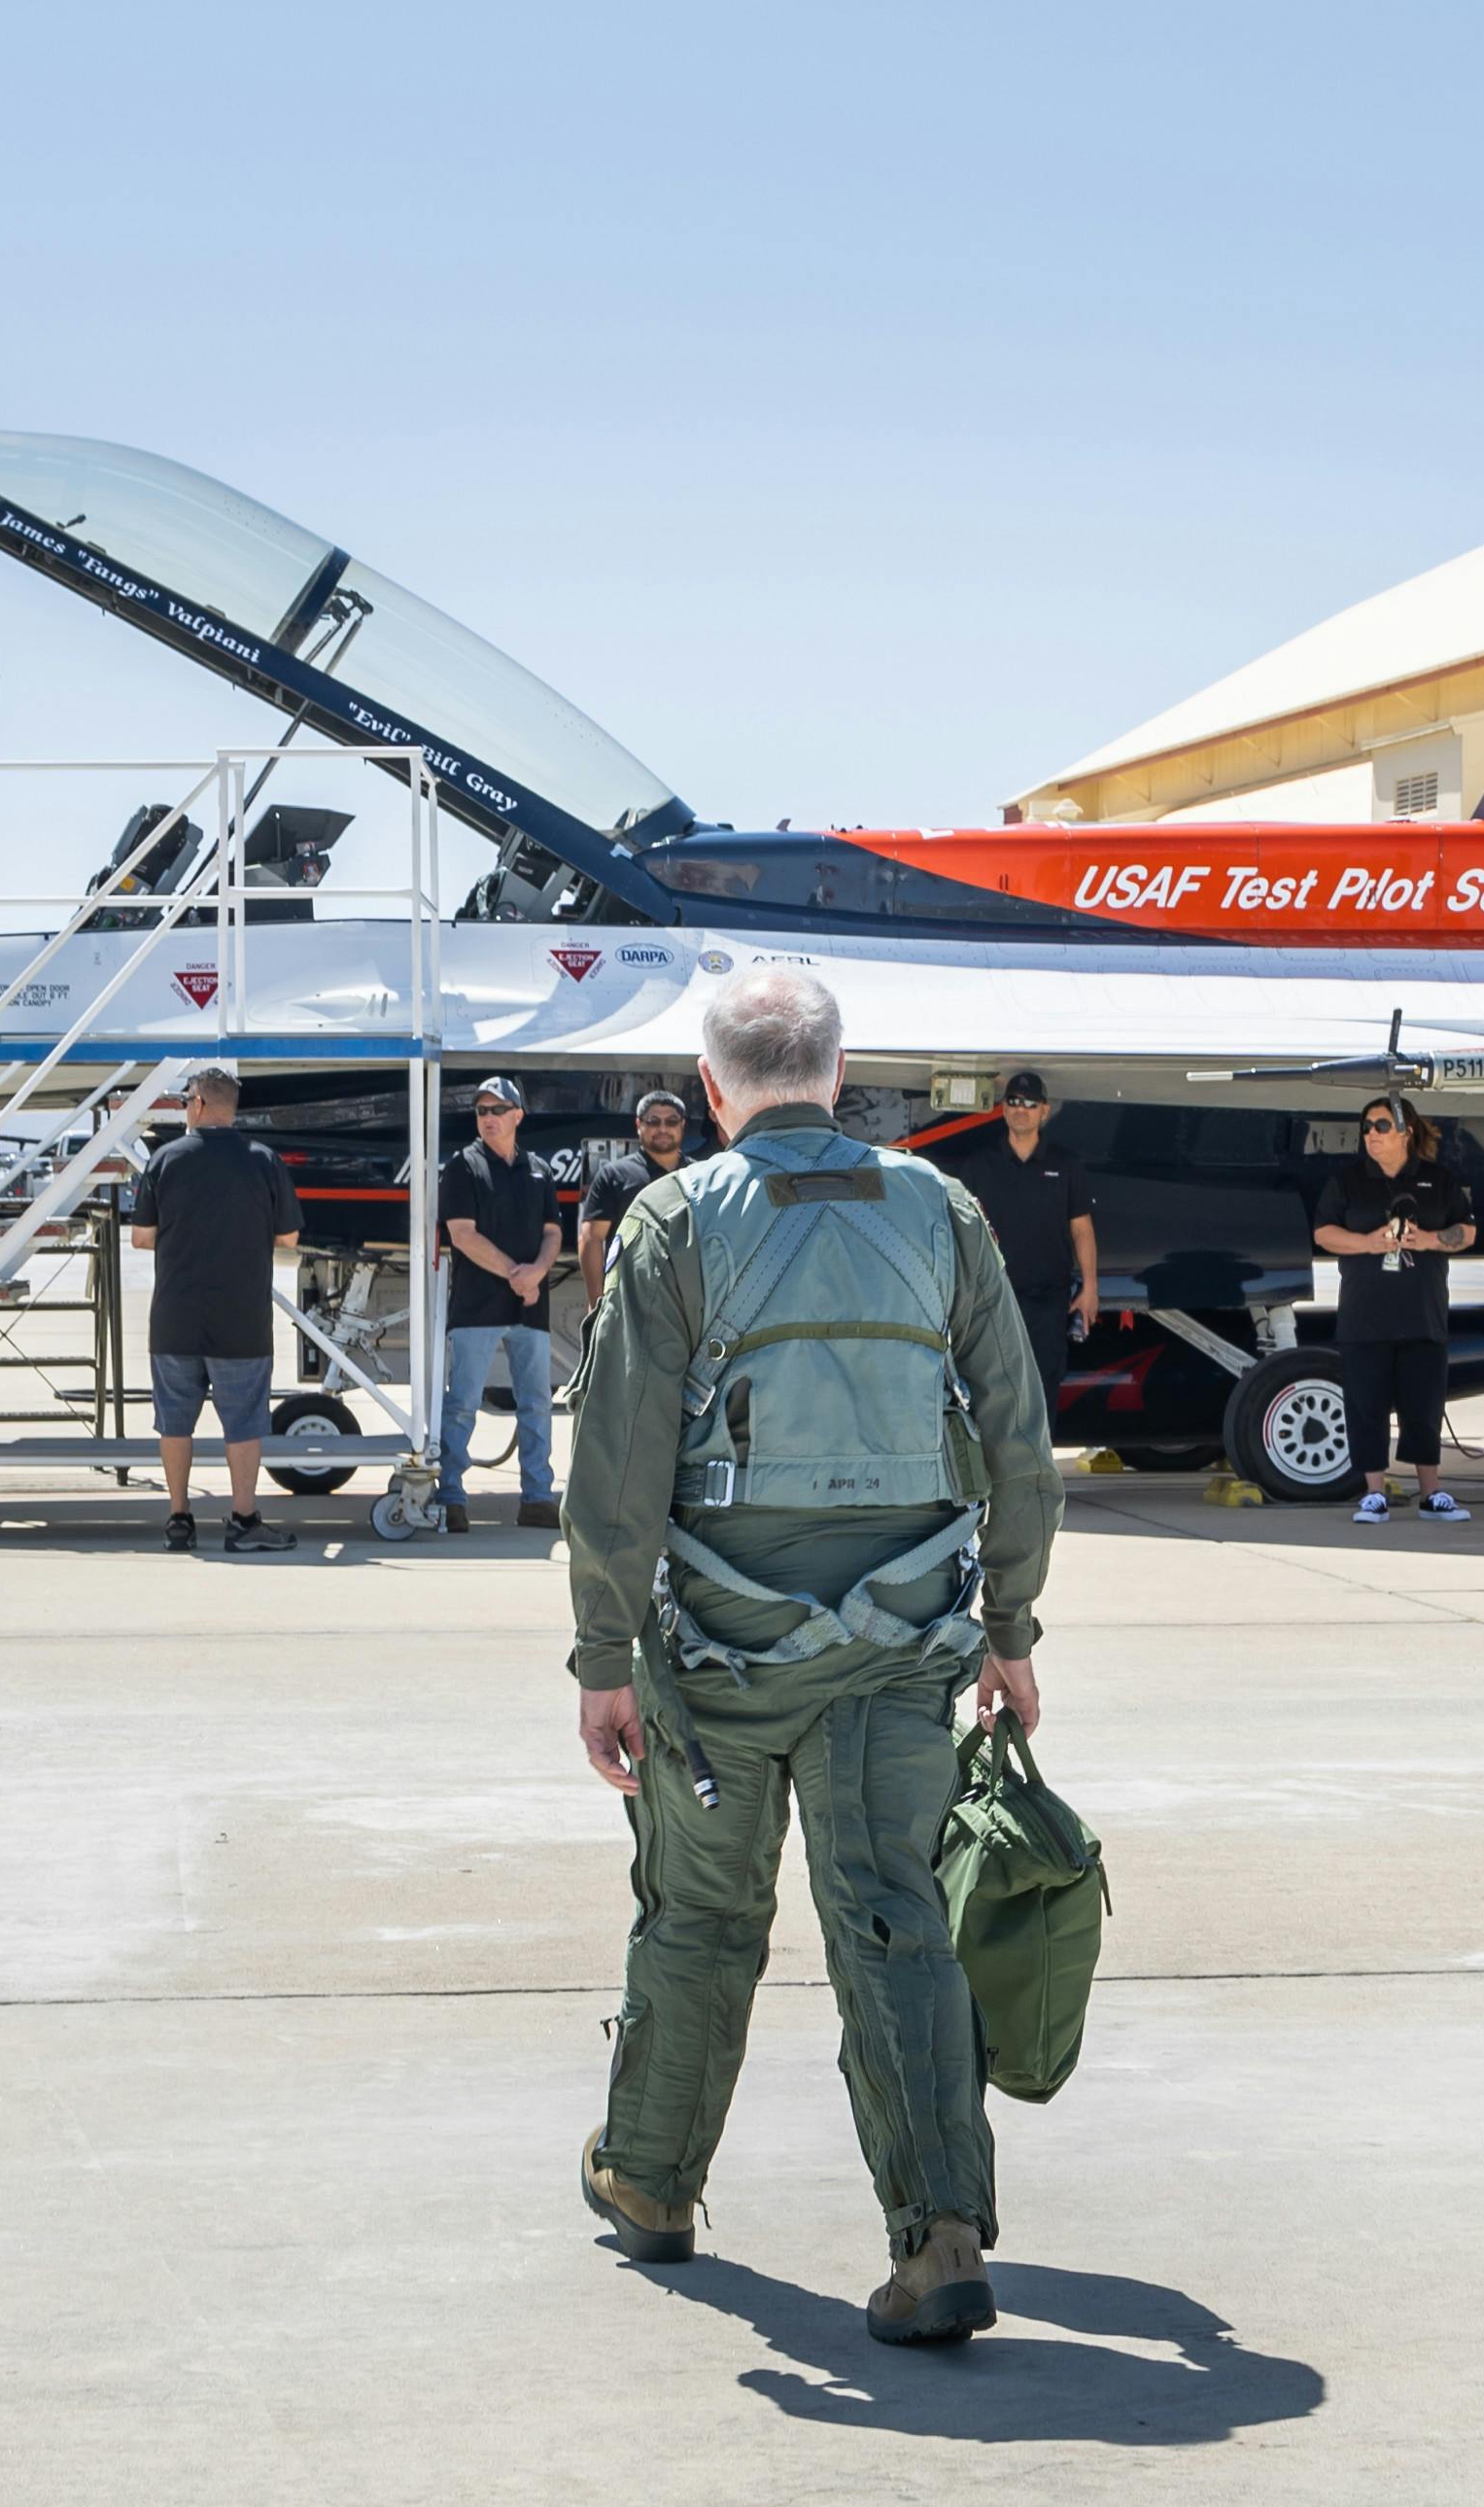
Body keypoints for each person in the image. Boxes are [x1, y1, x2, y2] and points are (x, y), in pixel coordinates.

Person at [566, 968, 1060, 2348]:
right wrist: (1010, 1628)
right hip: (904, 1654)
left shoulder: (673, 1220)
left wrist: (603, 1653)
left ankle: (652, 2184)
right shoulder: (941, 1208)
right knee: (896, 1922)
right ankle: (940, 2232)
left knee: (702, 1921)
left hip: (721, 1660)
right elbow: (1020, 1443)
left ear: (713, 1090)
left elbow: (618, 1462)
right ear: (840, 1079)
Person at [124, 1065, 303, 1554]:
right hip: (241, 1318)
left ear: (199, 1104)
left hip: (175, 1317)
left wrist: (186, 1232)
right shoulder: (264, 1161)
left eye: (186, 1100)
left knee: (174, 1422)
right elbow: (288, 1237)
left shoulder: (165, 1160)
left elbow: (140, 1237)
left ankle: (179, 1518)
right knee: (244, 1422)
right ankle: (243, 1521)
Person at [1312, 1094, 1476, 1522]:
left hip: (1422, 1315)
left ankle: (1432, 1492)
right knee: (1366, 1406)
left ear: (1405, 1132)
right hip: (1365, 1317)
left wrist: (1430, 1241)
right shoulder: (1348, 1181)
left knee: (1423, 1407)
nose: (1371, 1135)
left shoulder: (1438, 1179)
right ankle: (1373, 1491)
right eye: (1366, 1127)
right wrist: (1369, 1243)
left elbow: (1467, 1230)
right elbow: (1324, 1233)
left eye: (1381, 1126)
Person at [436, 1074, 563, 1534]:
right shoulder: (463, 1167)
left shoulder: (538, 1169)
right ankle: (450, 1495)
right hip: (477, 1307)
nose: (487, 1118)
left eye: (496, 1110)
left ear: (517, 1116)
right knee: (463, 1404)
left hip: (531, 1306)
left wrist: (538, 1273)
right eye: (481, 1111)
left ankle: (537, 1497)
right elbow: (462, 1235)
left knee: (536, 1405)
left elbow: (553, 1231)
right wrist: (519, 1275)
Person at [949, 1069, 1096, 1433]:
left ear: (1044, 1111)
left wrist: (1090, 1287)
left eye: (1030, 1103)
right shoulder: (978, 1165)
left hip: (1048, 1301)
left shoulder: (1065, 1166)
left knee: (1043, 1390)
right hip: (993, 1299)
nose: (1021, 1109)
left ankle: (1038, 1480)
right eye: (1013, 1101)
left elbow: (1082, 1230)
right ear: (1003, 1110)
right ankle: (993, 1481)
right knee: (989, 1389)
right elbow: (960, 1233)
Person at [578, 1089, 696, 1319]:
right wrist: (597, 1302)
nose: (662, 1128)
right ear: (638, 1124)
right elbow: (591, 1239)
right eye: (653, 1121)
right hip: (628, 1298)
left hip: (686, 1298)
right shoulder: (614, 1175)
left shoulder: (698, 1175)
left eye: (671, 1121)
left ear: (682, 1125)